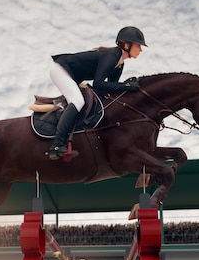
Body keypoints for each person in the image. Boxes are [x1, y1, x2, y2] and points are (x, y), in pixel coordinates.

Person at [47, 26, 147, 160]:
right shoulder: (112, 55)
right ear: (127, 45)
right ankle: (57, 145)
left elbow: (109, 90)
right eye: (138, 46)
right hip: (60, 69)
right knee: (77, 101)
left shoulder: (119, 64)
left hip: (71, 75)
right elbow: (98, 84)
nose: (140, 50)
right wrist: (127, 86)